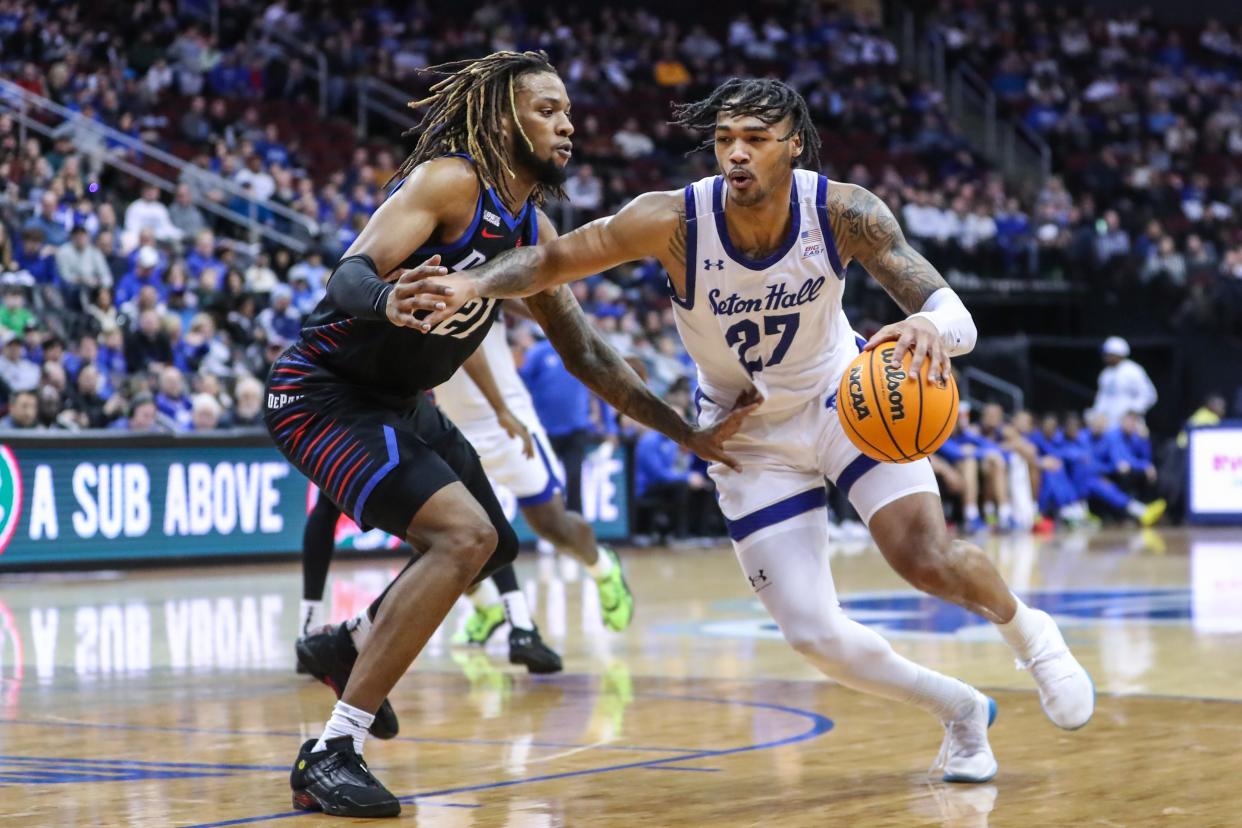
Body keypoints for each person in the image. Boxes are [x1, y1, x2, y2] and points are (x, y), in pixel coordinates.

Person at [422, 77, 1100, 784]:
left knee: (923, 555)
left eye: (754, 138)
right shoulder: (674, 221)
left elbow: (949, 307)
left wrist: (930, 327)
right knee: (813, 635)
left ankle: (1032, 634)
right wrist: (474, 285)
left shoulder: (841, 211)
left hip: (844, 400)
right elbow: (553, 260)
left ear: (793, 145)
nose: (736, 154)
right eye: (724, 140)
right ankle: (960, 711)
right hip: (744, 435)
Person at [266, 52, 749, 818]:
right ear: (503, 120)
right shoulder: (449, 182)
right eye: (549, 109)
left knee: (495, 540)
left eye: (567, 111)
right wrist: (390, 300)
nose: (568, 124)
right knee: (461, 539)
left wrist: (683, 429)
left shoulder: (534, 227)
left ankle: (345, 642)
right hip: (323, 396)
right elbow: (347, 277)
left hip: (400, 400)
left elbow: (586, 352)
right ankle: (329, 752)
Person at [1093, 336, 1157, 427]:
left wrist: (1134, 410)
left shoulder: (1133, 370)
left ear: (1118, 354)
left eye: (1108, 354)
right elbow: (1102, 398)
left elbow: (1149, 395)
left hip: (1130, 425)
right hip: (1109, 425)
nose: (1105, 357)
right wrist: (1097, 415)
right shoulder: (1105, 374)